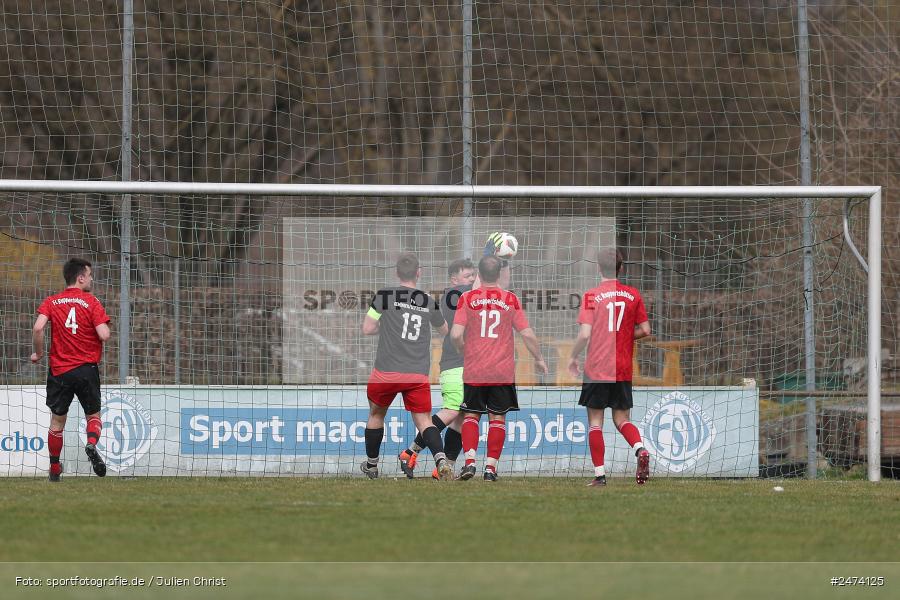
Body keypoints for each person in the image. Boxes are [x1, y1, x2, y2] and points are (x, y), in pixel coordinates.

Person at [398, 235, 514, 479]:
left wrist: (497, 263)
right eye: (468, 275)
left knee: (461, 419)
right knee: (453, 410)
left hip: (472, 364)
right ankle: (410, 451)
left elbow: (494, 288)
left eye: (474, 274)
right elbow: (483, 286)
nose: (473, 278)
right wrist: (488, 255)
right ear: (454, 279)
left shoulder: (471, 293)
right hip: (455, 364)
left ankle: (445, 466)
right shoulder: (455, 294)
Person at [450, 255, 548, 481]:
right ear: (499, 274)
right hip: (501, 371)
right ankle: (490, 469)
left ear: (479, 274)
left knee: (471, 416)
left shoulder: (468, 297)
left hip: (475, 368)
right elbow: (527, 334)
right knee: (497, 419)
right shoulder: (510, 299)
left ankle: (470, 462)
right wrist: (539, 358)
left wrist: (461, 348)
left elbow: (455, 334)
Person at [360, 252, 453, 480]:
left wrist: (389, 327)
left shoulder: (384, 296)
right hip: (416, 371)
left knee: (376, 415)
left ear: (396, 273)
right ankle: (440, 458)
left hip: (386, 371)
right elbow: (445, 332)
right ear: (418, 273)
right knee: (424, 421)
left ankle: (372, 466)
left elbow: (368, 328)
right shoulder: (428, 301)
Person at [567, 248, 652, 487]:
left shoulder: (592, 295)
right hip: (622, 367)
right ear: (620, 268)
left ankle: (600, 475)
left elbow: (584, 335)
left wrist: (572, 357)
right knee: (622, 419)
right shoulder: (633, 295)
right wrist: (623, 336)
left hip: (597, 366)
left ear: (597, 268)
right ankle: (640, 449)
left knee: (595, 422)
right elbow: (646, 330)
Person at [31, 258, 111, 482]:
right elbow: (104, 334)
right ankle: (92, 444)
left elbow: (38, 327)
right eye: (90, 274)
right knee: (93, 416)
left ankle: (55, 468)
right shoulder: (91, 301)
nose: (92, 279)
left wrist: (38, 353)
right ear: (81, 278)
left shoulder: (51, 301)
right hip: (86, 369)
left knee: (57, 422)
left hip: (59, 371)